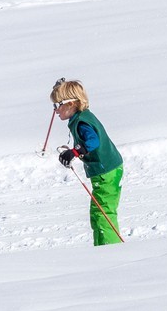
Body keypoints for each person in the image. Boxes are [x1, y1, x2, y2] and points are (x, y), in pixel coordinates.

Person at [50, 79, 125, 244]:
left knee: (103, 213)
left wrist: (74, 152)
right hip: (107, 171)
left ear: (70, 104)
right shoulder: (81, 118)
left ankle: (111, 250)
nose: (55, 111)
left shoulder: (83, 122)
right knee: (98, 212)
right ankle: (101, 248)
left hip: (107, 173)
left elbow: (92, 141)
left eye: (57, 105)